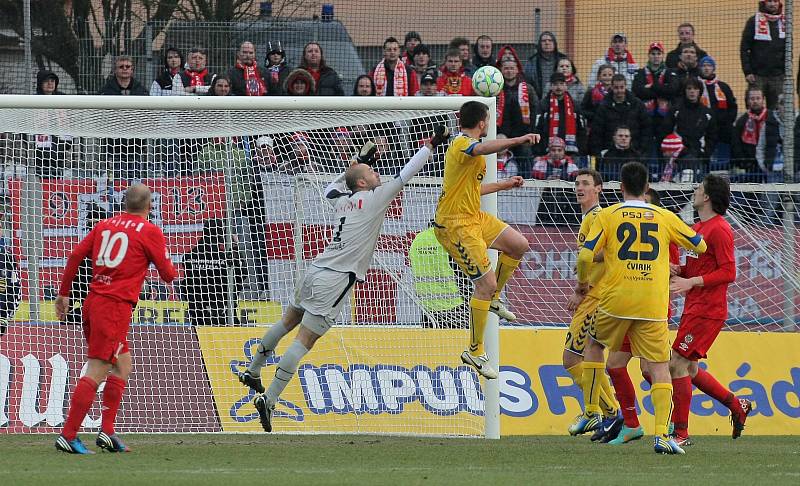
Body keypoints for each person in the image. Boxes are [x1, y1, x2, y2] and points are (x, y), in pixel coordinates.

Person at [240, 127, 451, 432]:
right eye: (371, 170)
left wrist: (356, 160)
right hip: (335, 280)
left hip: (316, 270)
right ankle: (270, 399)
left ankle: (252, 369)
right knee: (304, 340)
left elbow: (331, 189)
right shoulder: (375, 198)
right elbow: (407, 173)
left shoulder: (342, 201)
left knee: (286, 321)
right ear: (364, 182)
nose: (378, 173)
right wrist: (430, 144)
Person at [573, 161, 707, 455]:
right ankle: (662, 435)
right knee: (660, 369)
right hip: (652, 303)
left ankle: (593, 411)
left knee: (595, 347)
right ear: (646, 188)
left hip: (615, 300)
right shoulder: (663, 215)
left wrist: (583, 285)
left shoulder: (608, 215)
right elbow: (700, 245)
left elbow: (585, 256)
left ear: (620, 187)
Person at [54, 185, 177, 454]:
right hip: (113, 309)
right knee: (98, 369)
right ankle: (68, 434)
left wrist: (63, 294)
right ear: (150, 206)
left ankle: (107, 432)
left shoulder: (104, 225)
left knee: (123, 366)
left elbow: (75, 255)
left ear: (124, 204)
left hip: (94, 302)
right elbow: (168, 274)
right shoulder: (150, 231)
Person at [433, 101, 538, 379]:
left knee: (519, 245)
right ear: (482, 122)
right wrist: (518, 140)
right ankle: (475, 351)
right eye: (488, 119)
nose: (489, 123)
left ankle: (494, 299)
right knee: (485, 283)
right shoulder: (461, 143)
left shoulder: (468, 147)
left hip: (474, 216)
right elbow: (480, 148)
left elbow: (471, 188)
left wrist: (504, 184)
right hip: (454, 225)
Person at [669, 174, 752, 445]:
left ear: (706, 197)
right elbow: (697, 267)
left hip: (708, 310)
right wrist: (678, 270)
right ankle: (736, 405)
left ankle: (680, 433)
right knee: (689, 369)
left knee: (677, 363)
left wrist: (691, 281)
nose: (694, 192)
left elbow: (729, 271)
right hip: (695, 306)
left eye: (698, 189)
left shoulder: (720, 229)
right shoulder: (699, 227)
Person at [604, 187, 680, 445]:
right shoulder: (623, 223)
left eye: (645, 205)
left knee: (652, 368)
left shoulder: (664, 229)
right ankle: (632, 424)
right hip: (628, 306)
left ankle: (670, 424)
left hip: (651, 309)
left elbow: (675, 268)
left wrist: (669, 269)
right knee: (614, 365)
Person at [563, 168, 621, 441]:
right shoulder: (591, 217)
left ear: (599, 189)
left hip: (595, 296)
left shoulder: (597, 216)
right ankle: (608, 412)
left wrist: (581, 288)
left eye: (586, 183)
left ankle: (601, 412)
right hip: (599, 295)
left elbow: (599, 253)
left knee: (574, 358)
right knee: (582, 356)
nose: (579, 188)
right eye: (577, 184)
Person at [182, 218, 242, 326]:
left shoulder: (188, 257)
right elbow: (242, 276)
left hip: (198, 315)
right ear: (220, 234)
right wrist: (237, 247)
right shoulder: (225, 259)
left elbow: (188, 285)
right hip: (223, 315)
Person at [409, 224, 467, 329]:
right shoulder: (449, 239)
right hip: (455, 307)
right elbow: (462, 274)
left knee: (432, 344)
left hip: (428, 309)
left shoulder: (418, 240)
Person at [660, 77, 717, 179]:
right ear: (685, 91)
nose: (692, 91)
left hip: (700, 156)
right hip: (677, 157)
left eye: (695, 89)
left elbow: (712, 137)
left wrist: (705, 153)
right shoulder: (675, 110)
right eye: (689, 88)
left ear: (700, 91)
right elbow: (665, 132)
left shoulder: (707, 113)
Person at [589, 74, 651, 156]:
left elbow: (646, 128)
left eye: (621, 87)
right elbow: (597, 132)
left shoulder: (637, 104)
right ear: (611, 87)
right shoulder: (604, 106)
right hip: (610, 153)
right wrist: (599, 153)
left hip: (634, 153)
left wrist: (641, 151)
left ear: (626, 86)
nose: (619, 90)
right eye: (616, 87)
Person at [740, 0, 786, 109]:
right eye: (769, 1)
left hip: (778, 76)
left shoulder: (785, 22)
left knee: (778, 110)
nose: (772, 4)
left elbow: (788, 49)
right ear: (764, 3)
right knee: (754, 108)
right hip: (757, 76)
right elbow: (744, 48)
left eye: (775, 1)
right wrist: (747, 71)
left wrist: (786, 72)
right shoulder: (753, 21)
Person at [731, 85, 782, 182]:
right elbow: (736, 143)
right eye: (752, 98)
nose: (755, 101)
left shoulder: (773, 117)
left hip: (771, 163)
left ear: (763, 99)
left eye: (758, 98)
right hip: (750, 165)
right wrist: (743, 162)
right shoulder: (742, 121)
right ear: (748, 101)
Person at [633, 42, 679, 147]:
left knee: (663, 149)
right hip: (645, 117)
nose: (656, 56)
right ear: (649, 55)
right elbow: (637, 90)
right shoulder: (640, 73)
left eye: (658, 53)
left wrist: (652, 86)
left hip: (665, 118)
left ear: (662, 55)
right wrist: (662, 89)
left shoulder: (670, 72)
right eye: (653, 54)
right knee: (644, 147)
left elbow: (672, 90)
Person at [497, 55, 535, 176]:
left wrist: (530, 132)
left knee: (525, 156)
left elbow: (534, 111)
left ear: (517, 70)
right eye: (506, 68)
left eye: (512, 68)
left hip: (522, 135)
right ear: (502, 70)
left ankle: (527, 185)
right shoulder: (495, 88)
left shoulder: (527, 89)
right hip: (501, 135)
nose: (509, 71)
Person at [698, 56, 737, 170]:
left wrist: (727, 121)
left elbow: (732, 106)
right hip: (704, 128)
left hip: (722, 127)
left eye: (709, 65)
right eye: (703, 65)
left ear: (714, 68)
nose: (706, 68)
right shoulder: (696, 86)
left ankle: (734, 165)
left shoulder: (723, 87)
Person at [533, 72, 585, 157]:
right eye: (555, 84)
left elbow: (582, 130)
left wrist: (580, 151)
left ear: (566, 86)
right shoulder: (543, 105)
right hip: (547, 152)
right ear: (551, 86)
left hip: (572, 153)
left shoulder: (575, 105)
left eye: (561, 84)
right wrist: (538, 153)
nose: (559, 87)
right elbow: (537, 129)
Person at [33, 70, 72, 178]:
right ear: (40, 83)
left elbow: (69, 122)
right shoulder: (32, 100)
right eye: (46, 81)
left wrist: (66, 142)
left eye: (52, 81)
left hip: (59, 149)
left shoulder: (63, 99)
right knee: (43, 181)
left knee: (56, 181)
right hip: (40, 152)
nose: (50, 84)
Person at [524, 31, 567, 100]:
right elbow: (527, 83)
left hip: (561, 99)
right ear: (539, 44)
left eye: (550, 40)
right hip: (538, 100)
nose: (547, 43)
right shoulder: (531, 61)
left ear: (554, 43)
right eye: (544, 41)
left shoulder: (563, 59)